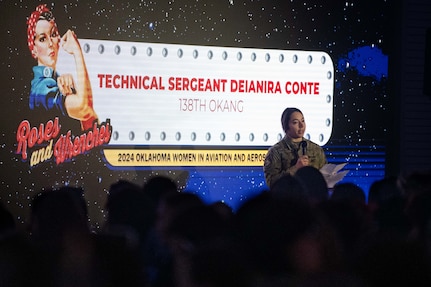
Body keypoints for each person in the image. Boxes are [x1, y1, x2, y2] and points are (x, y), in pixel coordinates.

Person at [27, 4, 98, 131]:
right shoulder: (40, 88)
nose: (50, 43)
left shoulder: (56, 80)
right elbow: (84, 109)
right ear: (34, 50)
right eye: (42, 39)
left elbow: (91, 124)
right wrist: (77, 52)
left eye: (53, 34)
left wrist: (74, 92)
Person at [263, 107, 327, 188]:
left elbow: (325, 175)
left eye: (303, 121)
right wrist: (296, 168)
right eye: (295, 122)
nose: (301, 125)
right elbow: (272, 183)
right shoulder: (276, 151)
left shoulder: (316, 149)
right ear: (286, 126)